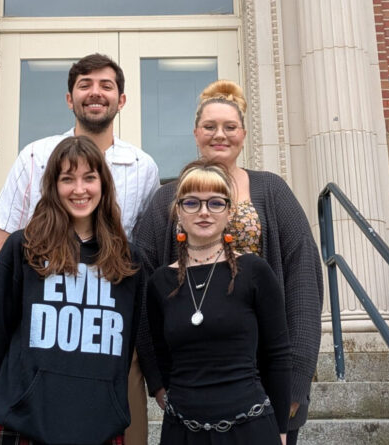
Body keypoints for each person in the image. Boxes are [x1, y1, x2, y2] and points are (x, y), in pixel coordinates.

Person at [133, 80, 323, 444]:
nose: (219, 135)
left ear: (244, 134)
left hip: (261, 373)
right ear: (195, 133)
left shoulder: (272, 190)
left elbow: (303, 282)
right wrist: (157, 379)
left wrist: (297, 376)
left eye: (229, 127)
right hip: (193, 381)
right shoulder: (165, 201)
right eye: (209, 127)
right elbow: (144, 292)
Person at [0, 53, 160, 444]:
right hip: (43, 335)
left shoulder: (143, 166)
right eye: (85, 85)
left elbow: (144, 255)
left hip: (109, 335)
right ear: (69, 98)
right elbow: (5, 235)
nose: (95, 93)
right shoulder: (35, 155)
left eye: (106, 85)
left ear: (122, 100)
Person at [0, 136, 146, 445]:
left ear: (104, 184)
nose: (79, 189)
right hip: (20, 425)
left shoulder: (129, 261)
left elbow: (128, 346)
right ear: (53, 187)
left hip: (99, 429)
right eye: (67, 179)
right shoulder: (22, 248)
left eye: (89, 178)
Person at [146, 160, 292, 444]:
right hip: (182, 431)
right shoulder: (161, 282)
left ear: (229, 213)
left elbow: (277, 355)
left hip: (249, 428)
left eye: (215, 203)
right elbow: (159, 353)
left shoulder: (254, 271)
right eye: (192, 203)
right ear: (178, 211)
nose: (203, 212)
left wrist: (282, 430)